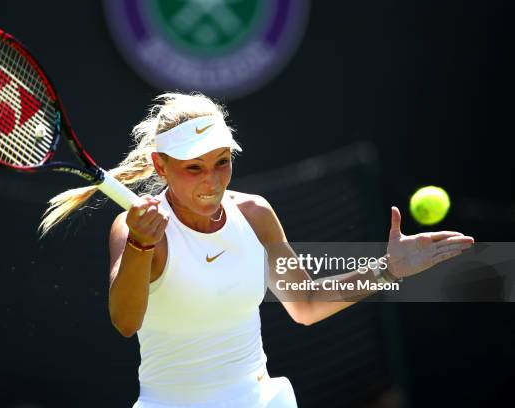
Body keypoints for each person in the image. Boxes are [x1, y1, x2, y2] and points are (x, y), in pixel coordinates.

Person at [38, 92, 474, 407]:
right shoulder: (132, 227)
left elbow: (304, 304)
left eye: (221, 162)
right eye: (193, 168)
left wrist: (388, 269)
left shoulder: (255, 214)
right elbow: (126, 322)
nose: (211, 181)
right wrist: (140, 244)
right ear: (160, 166)